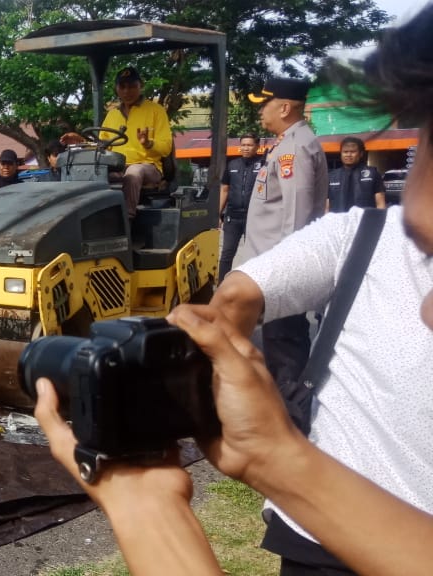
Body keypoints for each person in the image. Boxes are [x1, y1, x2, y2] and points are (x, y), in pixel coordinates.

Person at [34, 6, 433, 574]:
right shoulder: (363, 234)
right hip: (311, 543)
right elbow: (241, 294)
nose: (424, 309)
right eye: (424, 253)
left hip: (146, 171)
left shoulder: (284, 147)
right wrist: (161, 494)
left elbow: (287, 218)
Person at [243, 76, 328, 391]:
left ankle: (291, 409)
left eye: (264, 104)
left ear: (284, 108)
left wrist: (286, 270)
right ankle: (288, 402)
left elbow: (297, 214)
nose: (260, 111)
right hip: (276, 267)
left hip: (283, 270)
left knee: (284, 345)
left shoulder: (296, 147)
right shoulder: (288, 142)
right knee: (278, 343)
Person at [100, 67, 173, 218]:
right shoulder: (112, 115)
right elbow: (102, 145)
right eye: (122, 86)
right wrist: (80, 141)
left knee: (134, 172)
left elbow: (166, 147)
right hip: (119, 167)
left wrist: (148, 144)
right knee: (93, 174)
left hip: (149, 167)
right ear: (116, 88)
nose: (127, 91)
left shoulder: (156, 110)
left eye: (132, 86)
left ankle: (127, 220)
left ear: (141, 85)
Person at [218, 134, 262, 277]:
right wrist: (218, 213)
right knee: (227, 254)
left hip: (254, 218)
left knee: (253, 255)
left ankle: (252, 284)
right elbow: (225, 189)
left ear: (257, 147)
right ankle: (222, 284)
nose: (246, 148)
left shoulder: (264, 164)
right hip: (233, 217)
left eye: (249, 145)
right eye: (243, 145)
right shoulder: (232, 164)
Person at [327, 136, 386, 213]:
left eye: (353, 152)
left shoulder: (373, 174)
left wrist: (379, 219)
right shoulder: (331, 176)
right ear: (341, 153)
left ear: (361, 154)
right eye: (345, 152)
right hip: (338, 219)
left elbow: (380, 204)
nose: (348, 155)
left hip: (365, 219)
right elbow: (326, 206)